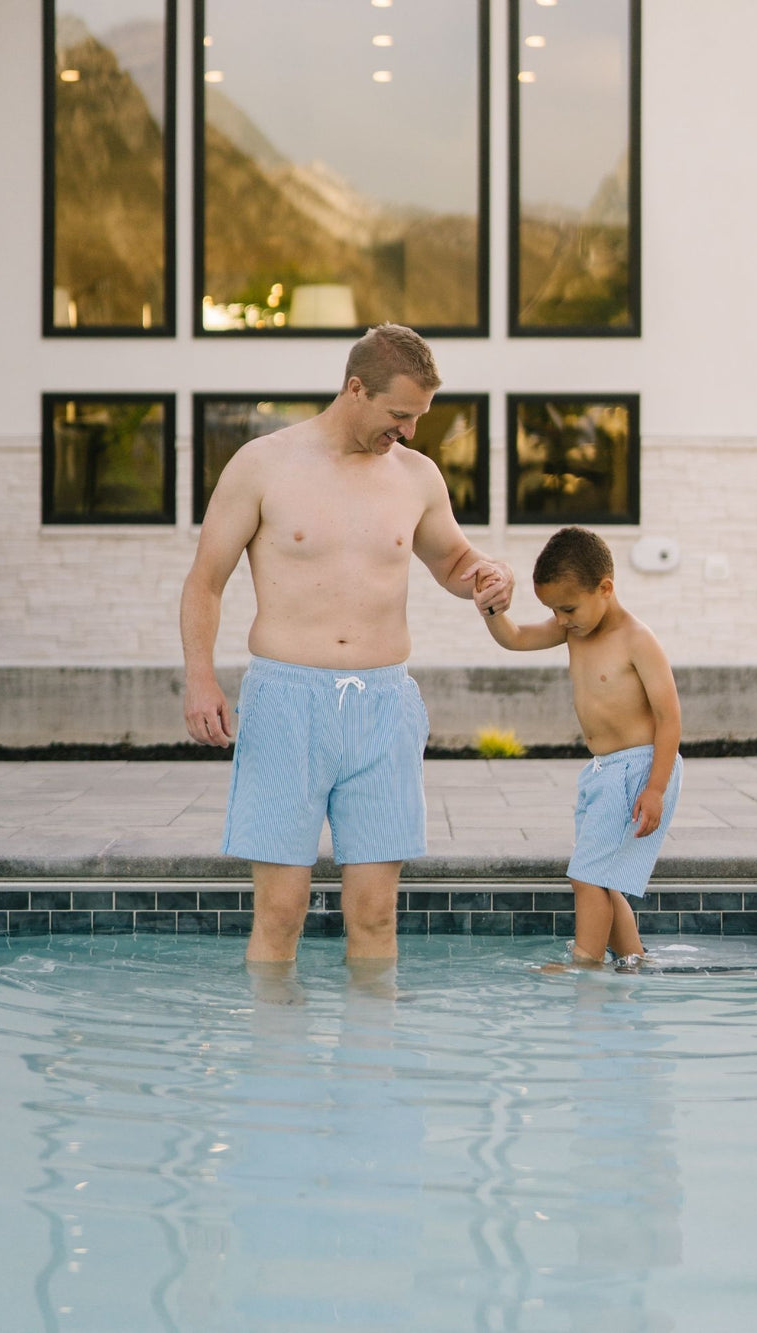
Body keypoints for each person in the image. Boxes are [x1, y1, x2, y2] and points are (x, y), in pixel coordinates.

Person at [180, 323, 513, 965]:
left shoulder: (417, 476)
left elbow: (454, 563)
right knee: (279, 915)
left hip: (384, 706)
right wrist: (201, 677)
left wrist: (488, 574)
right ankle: (275, 1063)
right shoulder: (263, 464)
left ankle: (372, 1065)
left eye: (417, 418)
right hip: (286, 701)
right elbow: (205, 582)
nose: (409, 431)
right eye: (398, 415)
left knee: (376, 915)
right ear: (355, 389)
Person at [474, 526, 682, 966]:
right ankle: (634, 960)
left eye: (567, 608)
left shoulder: (636, 639)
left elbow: (669, 717)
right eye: (553, 609)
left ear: (605, 588)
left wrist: (656, 788)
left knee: (586, 877)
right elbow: (515, 638)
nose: (561, 618)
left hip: (638, 768)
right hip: (605, 771)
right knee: (602, 878)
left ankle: (585, 961)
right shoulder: (574, 629)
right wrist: (492, 608)